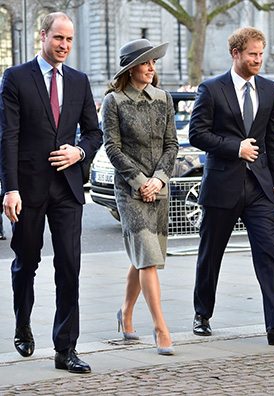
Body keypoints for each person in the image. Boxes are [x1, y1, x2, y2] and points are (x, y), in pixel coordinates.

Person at [0, 12, 102, 373]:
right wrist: (10, 189)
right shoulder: (15, 78)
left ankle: (65, 348)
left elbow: (94, 132)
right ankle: (23, 323)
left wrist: (79, 151)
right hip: (27, 189)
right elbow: (7, 137)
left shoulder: (79, 80)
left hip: (68, 189)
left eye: (70, 40)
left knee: (70, 267)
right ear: (42, 36)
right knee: (26, 262)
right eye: (58, 38)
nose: (64, 45)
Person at [188, 26, 274, 345]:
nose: (258, 60)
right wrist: (236, 147)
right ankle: (202, 314)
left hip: (260, 188)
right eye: (252, 54)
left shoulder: (269, 88)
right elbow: (196, 134)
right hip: (222, 185)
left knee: (268, 255)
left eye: (261, 54)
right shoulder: (211, 89)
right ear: (236, 54)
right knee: (211, 255)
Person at [101, 39, 179, 355]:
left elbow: (172, 145)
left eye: (153, 63)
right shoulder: (114, 102)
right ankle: (161, 328)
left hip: (159, 189)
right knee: (147, 256)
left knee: (145, 259)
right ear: (131, 67)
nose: (152, 68)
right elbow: (112, 148)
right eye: (146, 63)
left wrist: (158, 180)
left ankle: (126, 312)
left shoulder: (164, 99)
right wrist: (139, 181)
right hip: (130, 192)